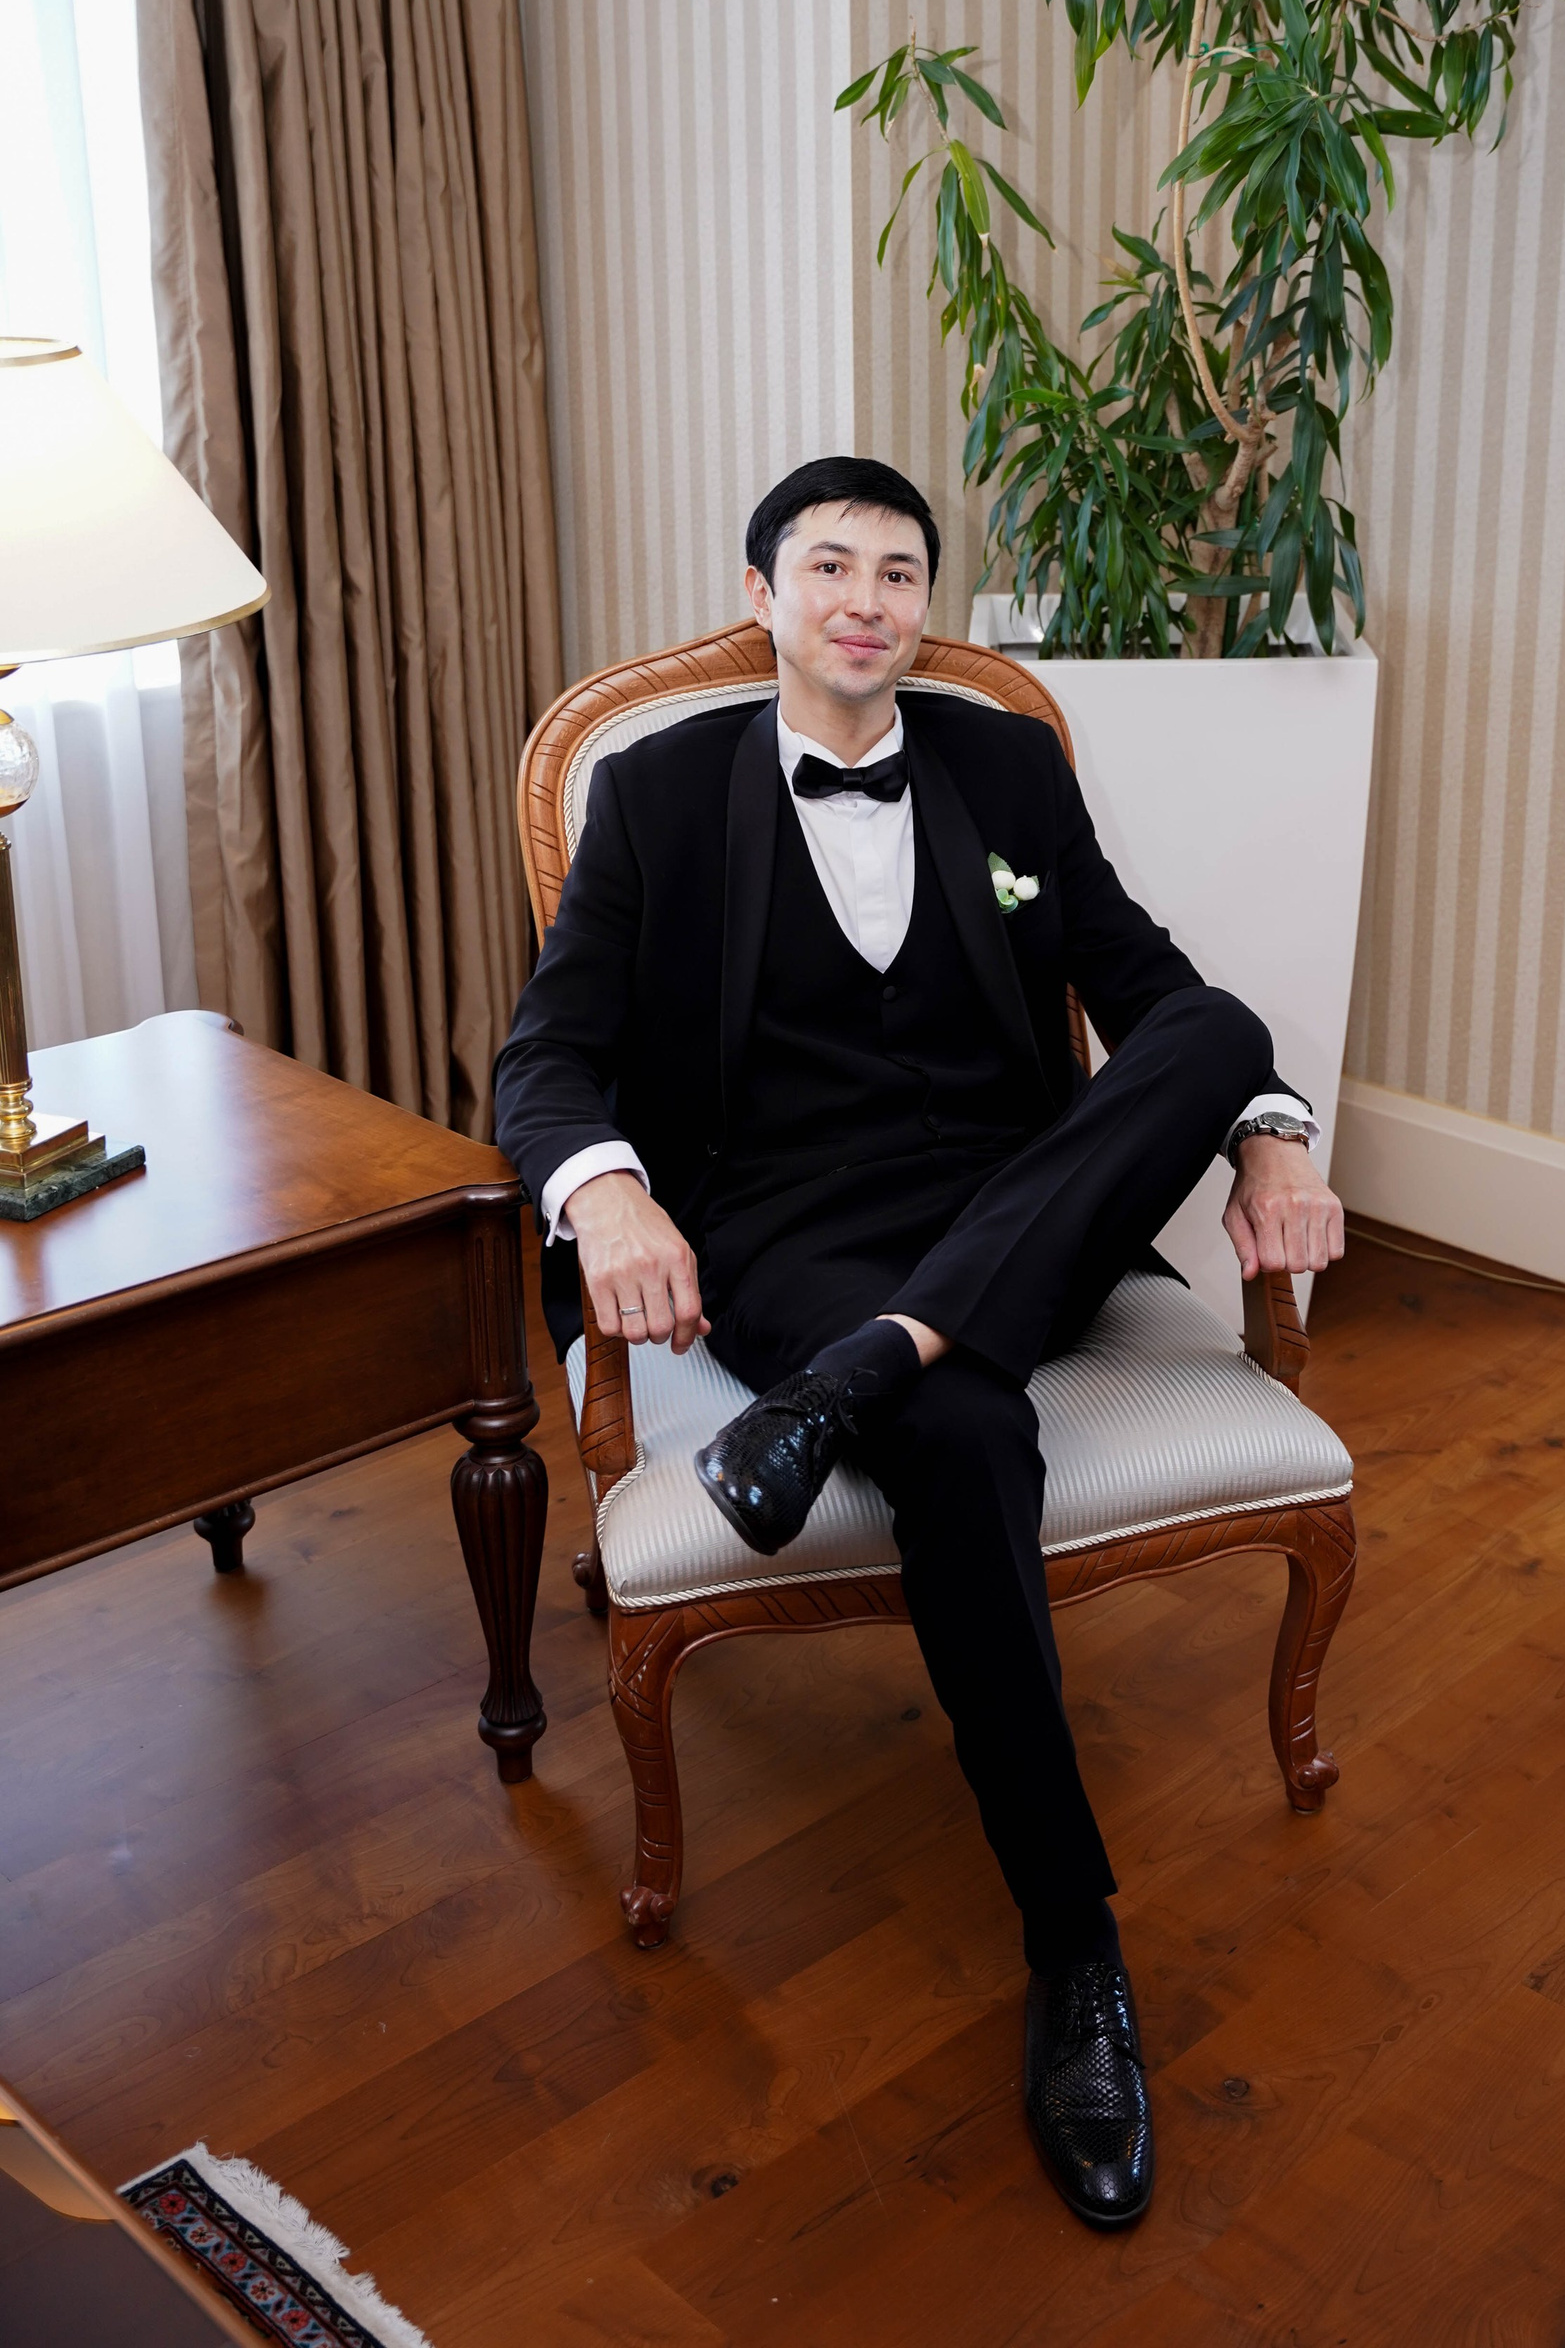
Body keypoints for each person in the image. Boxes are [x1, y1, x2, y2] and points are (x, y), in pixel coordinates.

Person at [494, 457, 1343, 2231]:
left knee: (1219, 1034)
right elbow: (547, 1057)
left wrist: (1270, 1137)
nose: (865, 600)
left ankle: (861, 1376)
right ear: (763, 595)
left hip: (1019, 1189)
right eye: (829, 567)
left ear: (925, 608)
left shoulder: (1005, 765)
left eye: (897, 572)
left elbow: (1150, 985)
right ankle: (1076, 1947)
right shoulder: (653, 793)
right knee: (963, 1439)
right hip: (793, 1221)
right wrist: (610, 1197)